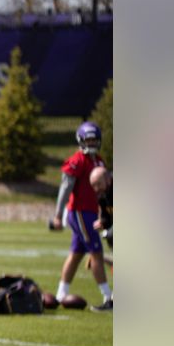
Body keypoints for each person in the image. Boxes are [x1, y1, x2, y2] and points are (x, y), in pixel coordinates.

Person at [49, 121, 111, 311]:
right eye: (88, 139)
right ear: (81, 140)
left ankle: (60, 294)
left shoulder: (99, 161)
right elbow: (65, 188)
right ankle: (109, 297)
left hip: (92, 212)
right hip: (79, 212)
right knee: (96, 253)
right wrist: (58, 215)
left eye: (94, 139)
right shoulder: (77, 161)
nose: (91, 143)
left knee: (76, 254)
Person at [90, 165, 113, 269]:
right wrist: (102, 222)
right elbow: (106, 216)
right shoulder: (102, 195)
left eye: (99, 184)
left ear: (108, 179)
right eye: (94, 185)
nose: (96, 188)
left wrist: (109, 232)